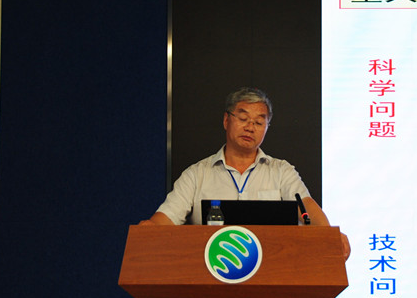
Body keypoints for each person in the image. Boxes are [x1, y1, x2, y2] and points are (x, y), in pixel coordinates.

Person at [139, 86, 351, 261]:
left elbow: (306, 207)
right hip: (211, 273)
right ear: (226, 120)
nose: (250, 127)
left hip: (272, 271)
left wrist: (329, 235)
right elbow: (167, 218)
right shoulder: (196, 175)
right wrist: (151, 227)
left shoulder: (282, 172)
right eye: (243, 118)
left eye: (259, 122)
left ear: (266, 128)